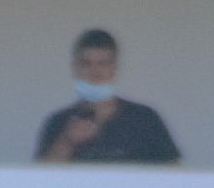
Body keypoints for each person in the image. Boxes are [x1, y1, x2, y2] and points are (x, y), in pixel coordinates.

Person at [35, 28, 178, 164]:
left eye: (103, 63)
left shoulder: (146, 119)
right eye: (86, 64)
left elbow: (175, 172)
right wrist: (67, 142)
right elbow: (40, 179)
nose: (95, 71)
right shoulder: (58, 122)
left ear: (114, 67)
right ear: (75, 68)